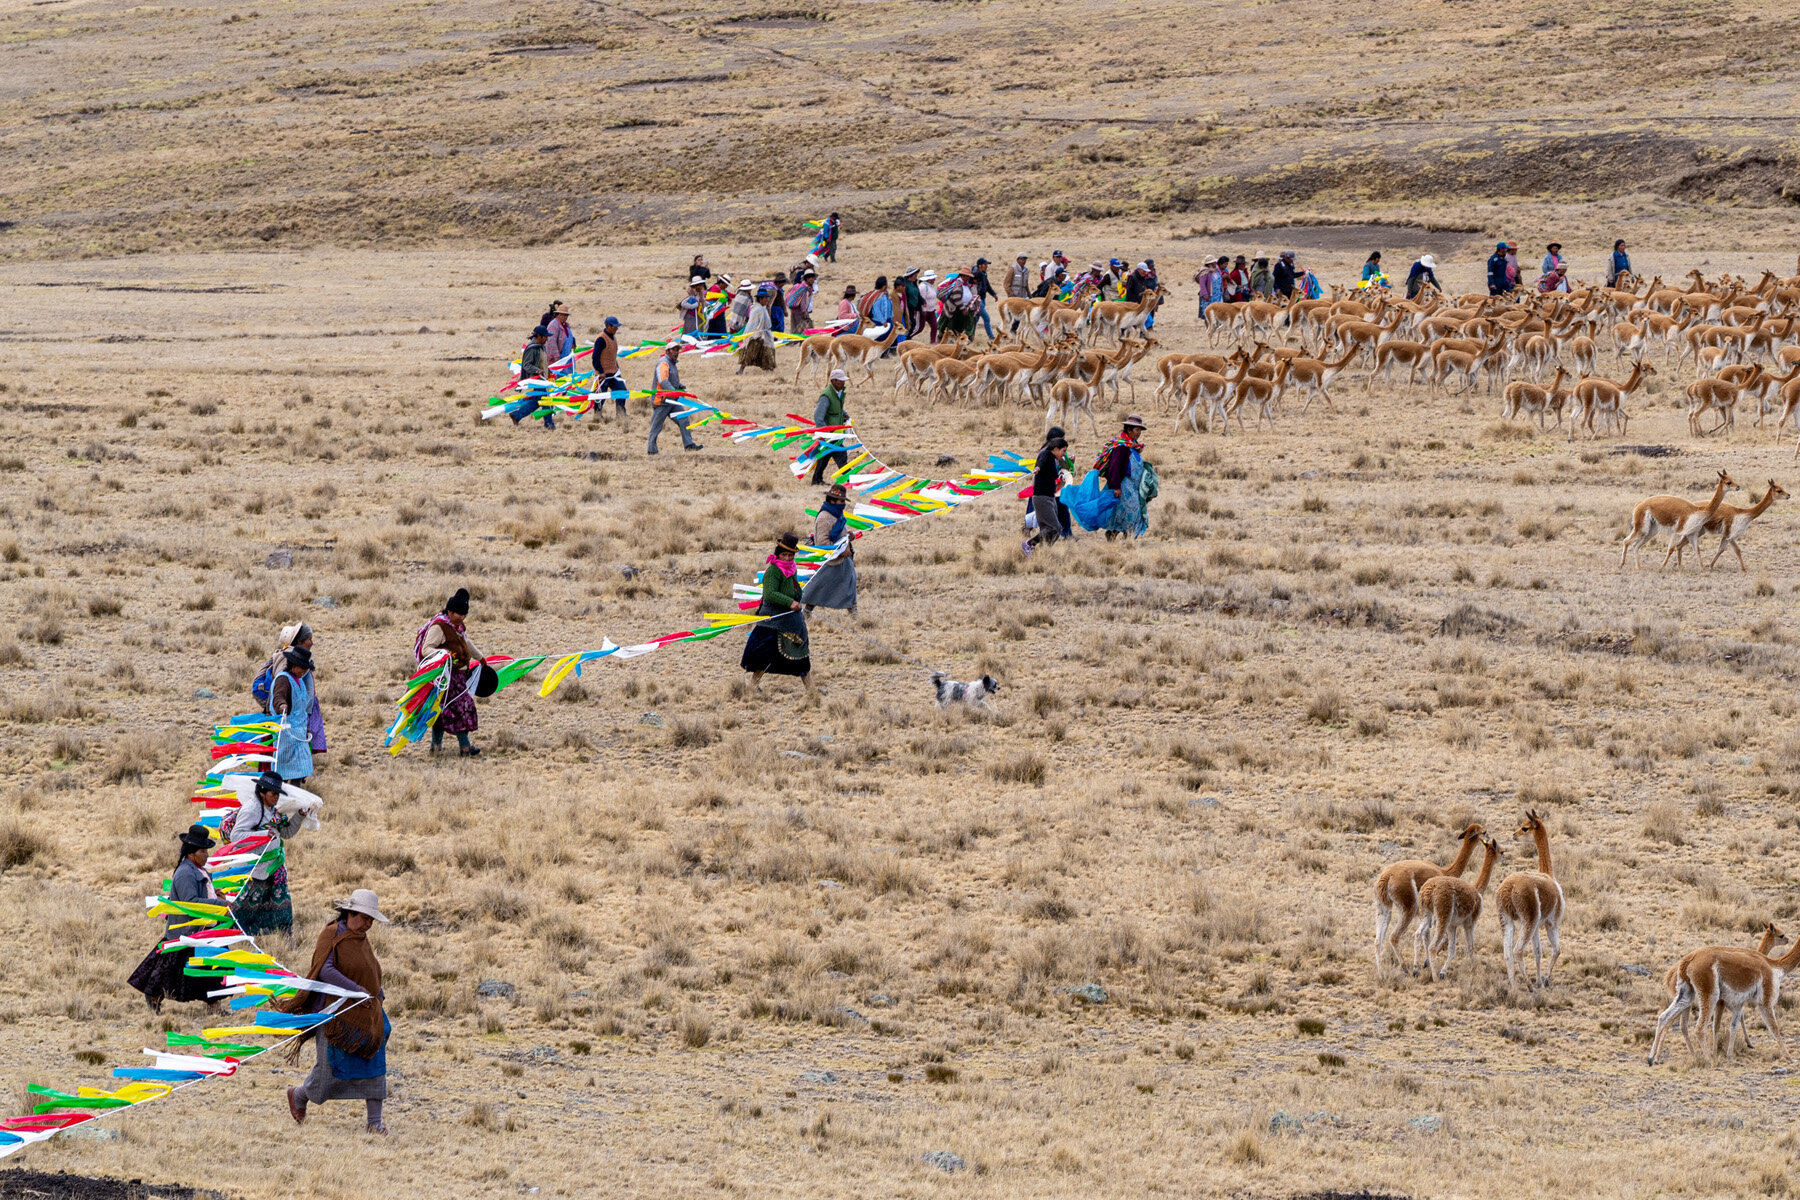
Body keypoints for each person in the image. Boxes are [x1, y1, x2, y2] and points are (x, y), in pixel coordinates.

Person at [284, 890, 391, 1136]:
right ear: (351, 913)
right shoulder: (332, 934)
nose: (368, 924)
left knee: (374, 1060)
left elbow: (369, 970)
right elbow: (325, 970)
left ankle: (374, 1122)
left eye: (371, 920)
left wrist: (377, 992)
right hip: (334, 1015)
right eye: (366, 918)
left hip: (366, 1014)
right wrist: (357, 991)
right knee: (329, 1069)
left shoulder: (361, 938)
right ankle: (299, 1095)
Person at [127, 824, 219, 1014]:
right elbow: (190, 903)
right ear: (193, 853)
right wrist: (220, 905)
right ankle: (154, 995)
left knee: (213, 966)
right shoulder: (186, 873)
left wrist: (216, 895)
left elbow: (203, 893)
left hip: (204, 930)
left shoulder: (198, 869)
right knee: (169, 972)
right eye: (203, 851)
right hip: (185, 931)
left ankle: (214, 1004)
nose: (207, 855)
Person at [225, 770, 303, 937]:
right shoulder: (251, 810)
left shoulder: (274, 811)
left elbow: (286, 833)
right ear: (262, 792)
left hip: (272, 868)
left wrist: (300, 816)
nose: (276, 797)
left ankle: (283, 937)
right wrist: (262, 835)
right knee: (243, 908)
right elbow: (236, 836)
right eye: (273, 793)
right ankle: (233, 936)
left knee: (281, 904)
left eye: (277, 794)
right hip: (252, 870)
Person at [740, 532, 814, 694]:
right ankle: (752, 686)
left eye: (790, 555)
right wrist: (790, 602)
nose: (787, 558)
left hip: (791, 620)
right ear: (778, 555)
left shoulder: (792, 569)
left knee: (801, 655)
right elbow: (770, 594)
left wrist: (797, 599)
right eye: (784, 555)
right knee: (764, 657)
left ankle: (811, 690)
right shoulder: (773, 571)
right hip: (772, 620)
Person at [414, 588, 483, 756]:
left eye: (464, 614)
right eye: (458, 614)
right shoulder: (439, 627)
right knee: (462, 706)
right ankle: (464, 748)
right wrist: (443, 655)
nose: (461, 617)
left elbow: (466, 642)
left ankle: (436, 748)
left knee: (442, 710)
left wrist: (480, 658)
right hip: (445, 677)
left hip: (459, 676)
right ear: (449, 611)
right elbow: (426, 649)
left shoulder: (458, 627)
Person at [1098, 414, 1156, 540]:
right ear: (1129, 430)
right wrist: (1116, 487)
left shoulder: (1132, 444)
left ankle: (1115, 534)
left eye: (1140, 430)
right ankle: (1127, 538)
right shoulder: (1121, 447)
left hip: (1132, 486)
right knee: (1133, 512)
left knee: (1123, 512)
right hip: (1124, 485)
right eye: (1137, 430)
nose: (1139, 433)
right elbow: (1115, 467)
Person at [801, 483, 857, 615]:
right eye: (840, 501)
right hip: (830, 561)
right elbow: (822, 543)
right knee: (818, 588)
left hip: (844, 560)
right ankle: (806, 612)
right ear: (832, 500)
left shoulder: (838, 515)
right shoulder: (824, 517)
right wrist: (842, 552)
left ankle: (854, 612)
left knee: (850, 584)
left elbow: (841, 532)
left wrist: (849, 536)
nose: (843, 503)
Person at [270, 645, 316, 783]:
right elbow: (278, 697)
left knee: (300, 771)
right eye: (302, 668)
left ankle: (296, 801)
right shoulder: (283, 679)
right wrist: (281, 706)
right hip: (286, 735)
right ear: (294, 665)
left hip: (299, 734)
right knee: (282, 774)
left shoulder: (299, 680)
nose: (304, 671)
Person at [1022, 430, 1072, 553]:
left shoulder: (1054, 458)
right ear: (1055, 448)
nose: (1064, 454)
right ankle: (1029, 544)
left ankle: (1045, 551)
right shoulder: (1046, 454)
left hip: (1049, 497)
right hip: (1042, 498)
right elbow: (1041, 462)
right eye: (1063, 451)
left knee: (1055, 529)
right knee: (1054, 527)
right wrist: (1037, 467)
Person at [647, 344, 701, 454]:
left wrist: (679, 386)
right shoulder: (663, 363)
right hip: (662, 401)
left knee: (684, 418)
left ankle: (689, 445)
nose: (676, 352)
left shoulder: (672, 364)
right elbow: (663, 381)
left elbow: (671, 380)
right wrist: (674, 391)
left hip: (672, 400)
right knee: (656, 427)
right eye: (674, 350)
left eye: (678, 350)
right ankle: (651, 451)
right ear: (667, 351)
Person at [507, 327, 556, 428]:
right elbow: (526, 365)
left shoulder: (541, 347)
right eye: (545, 336)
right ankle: (549, 424)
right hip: (537, 379)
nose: (547, 339)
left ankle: (516, 415)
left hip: (543, 379)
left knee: (537, 401)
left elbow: (543, 363)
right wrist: (538, 371)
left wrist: (549, 372)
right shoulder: (532, 348)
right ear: (539, 336)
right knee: (545, 400)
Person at [810, 369, 851, 483]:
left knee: (825, 456)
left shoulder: (838, 393)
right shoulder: (826, 396)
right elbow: (818, 416)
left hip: (835, 432)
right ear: (833, 381)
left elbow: (836, 408)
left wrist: (844, 414)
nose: (843, 383)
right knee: (841, 454)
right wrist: (826, 434)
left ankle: (817, 480)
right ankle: (850, 479)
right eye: (840, 381)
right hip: (830, 433)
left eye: (843, 381)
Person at [593, 317, 628, 421]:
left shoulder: (614, 337)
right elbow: (595, 357)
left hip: (614, 372)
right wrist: (601, 372)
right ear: (608, 326)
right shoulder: (601, 339)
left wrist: (617, 367)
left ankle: (621, 415)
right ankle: (597, 416)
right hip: (603, 374)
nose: (616, 329)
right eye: (615, 326)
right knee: (600, 396)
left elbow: (612, 356)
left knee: (622, 392)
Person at [737, 287, 777, 374]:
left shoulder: (759, 308)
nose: (767, 300)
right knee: (750, 353)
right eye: (765, 298)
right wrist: (758, 333)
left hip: (762, 335)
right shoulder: (759, 309)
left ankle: (770, 371)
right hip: (756, 335)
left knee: (765, 353)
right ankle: (741, 370)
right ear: (760, 299)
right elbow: (758, 324)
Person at [970, 258, 997, 340]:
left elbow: (987, 285)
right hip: (977, 300)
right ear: (980, 265)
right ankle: (991, 337)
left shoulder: (983, 273)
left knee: (975, 319)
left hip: (982, 299)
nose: (986, 266)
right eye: (985, 264)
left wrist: (993, 294)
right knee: (986, 318)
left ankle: (970, 335)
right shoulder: (975, 275)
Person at [542, 301, 574, 368]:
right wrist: (556, 357)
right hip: (555, 359)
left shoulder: (566, 325)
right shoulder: (553, 325)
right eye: (561, 315)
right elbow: (552, 342)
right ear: (558, 314)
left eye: (565, 315)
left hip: (566, 357)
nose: (563, 317)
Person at [788, 268, 816, 332]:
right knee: (803, 331)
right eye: (810, 278)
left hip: (794, 311)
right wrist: (805, 314)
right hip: (800, 313)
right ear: (806, 279)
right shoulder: (805, 289)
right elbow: (803, 303)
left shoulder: (800, 286)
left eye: (813, 278)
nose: (812, 280)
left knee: (794, 329)